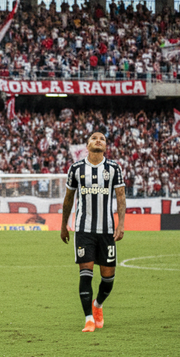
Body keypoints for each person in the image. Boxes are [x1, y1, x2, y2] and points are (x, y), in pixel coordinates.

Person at [60, 131, 126, 332]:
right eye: (94, 138)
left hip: (106, 230)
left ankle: (97, 305)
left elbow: (121, 198)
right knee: (86, 274)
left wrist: (121, 224)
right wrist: (64, 224)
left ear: (106, 146)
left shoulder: (114, 168)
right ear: (87, 145)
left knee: (108, 279)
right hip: (83, 230)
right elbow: (69, 199)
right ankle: (88, 318)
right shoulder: (76, 169)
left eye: (102, 139)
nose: (98, 140)